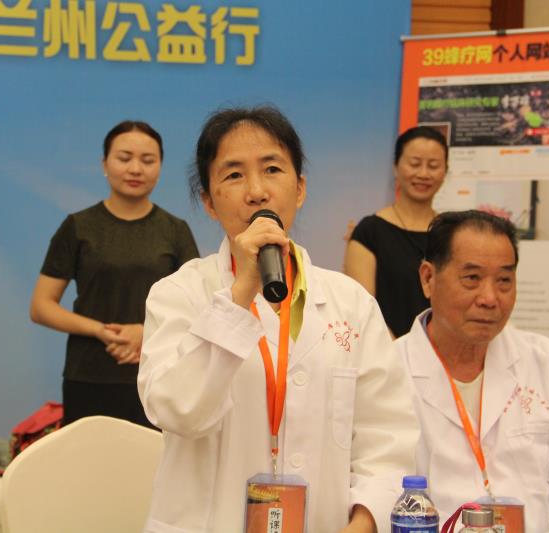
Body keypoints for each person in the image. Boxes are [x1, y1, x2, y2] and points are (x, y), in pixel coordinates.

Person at [138, 106, 419, 532]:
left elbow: (388, 438)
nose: (256, 191)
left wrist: (364, 522)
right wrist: (239, 295)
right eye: (234, 175)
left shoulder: (352, 304)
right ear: (209, 202)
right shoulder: (178, 295)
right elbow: (178, 410)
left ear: (300, 188)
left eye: (272, 169)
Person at [395, 210, 549, 532]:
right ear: (428, 278)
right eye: (472, 278)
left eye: (504, 280)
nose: (490, 298)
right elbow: (375, 486)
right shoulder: (389, 371)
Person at [30, 120, 199, 428]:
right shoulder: (78, 227)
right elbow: (41, 306)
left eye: (147, 160)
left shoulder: (175, 231)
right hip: (88, 375)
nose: (135, 169)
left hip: (158, 373)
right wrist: (100, 330)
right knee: (88, 457)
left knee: (151, 458)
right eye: (124, 158)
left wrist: (144, 331)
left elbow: (197, 306)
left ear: (160, 167)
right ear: (104, 164)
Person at [344, 126, 448, 338]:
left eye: (433, 165)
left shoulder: (450, 234)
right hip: (386, 350)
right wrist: (399, 352)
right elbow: (363, 310)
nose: (423, 174)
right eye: (415, 163)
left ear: (445, 171)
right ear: (395, 167)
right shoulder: (369, 232)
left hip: (441, 353)